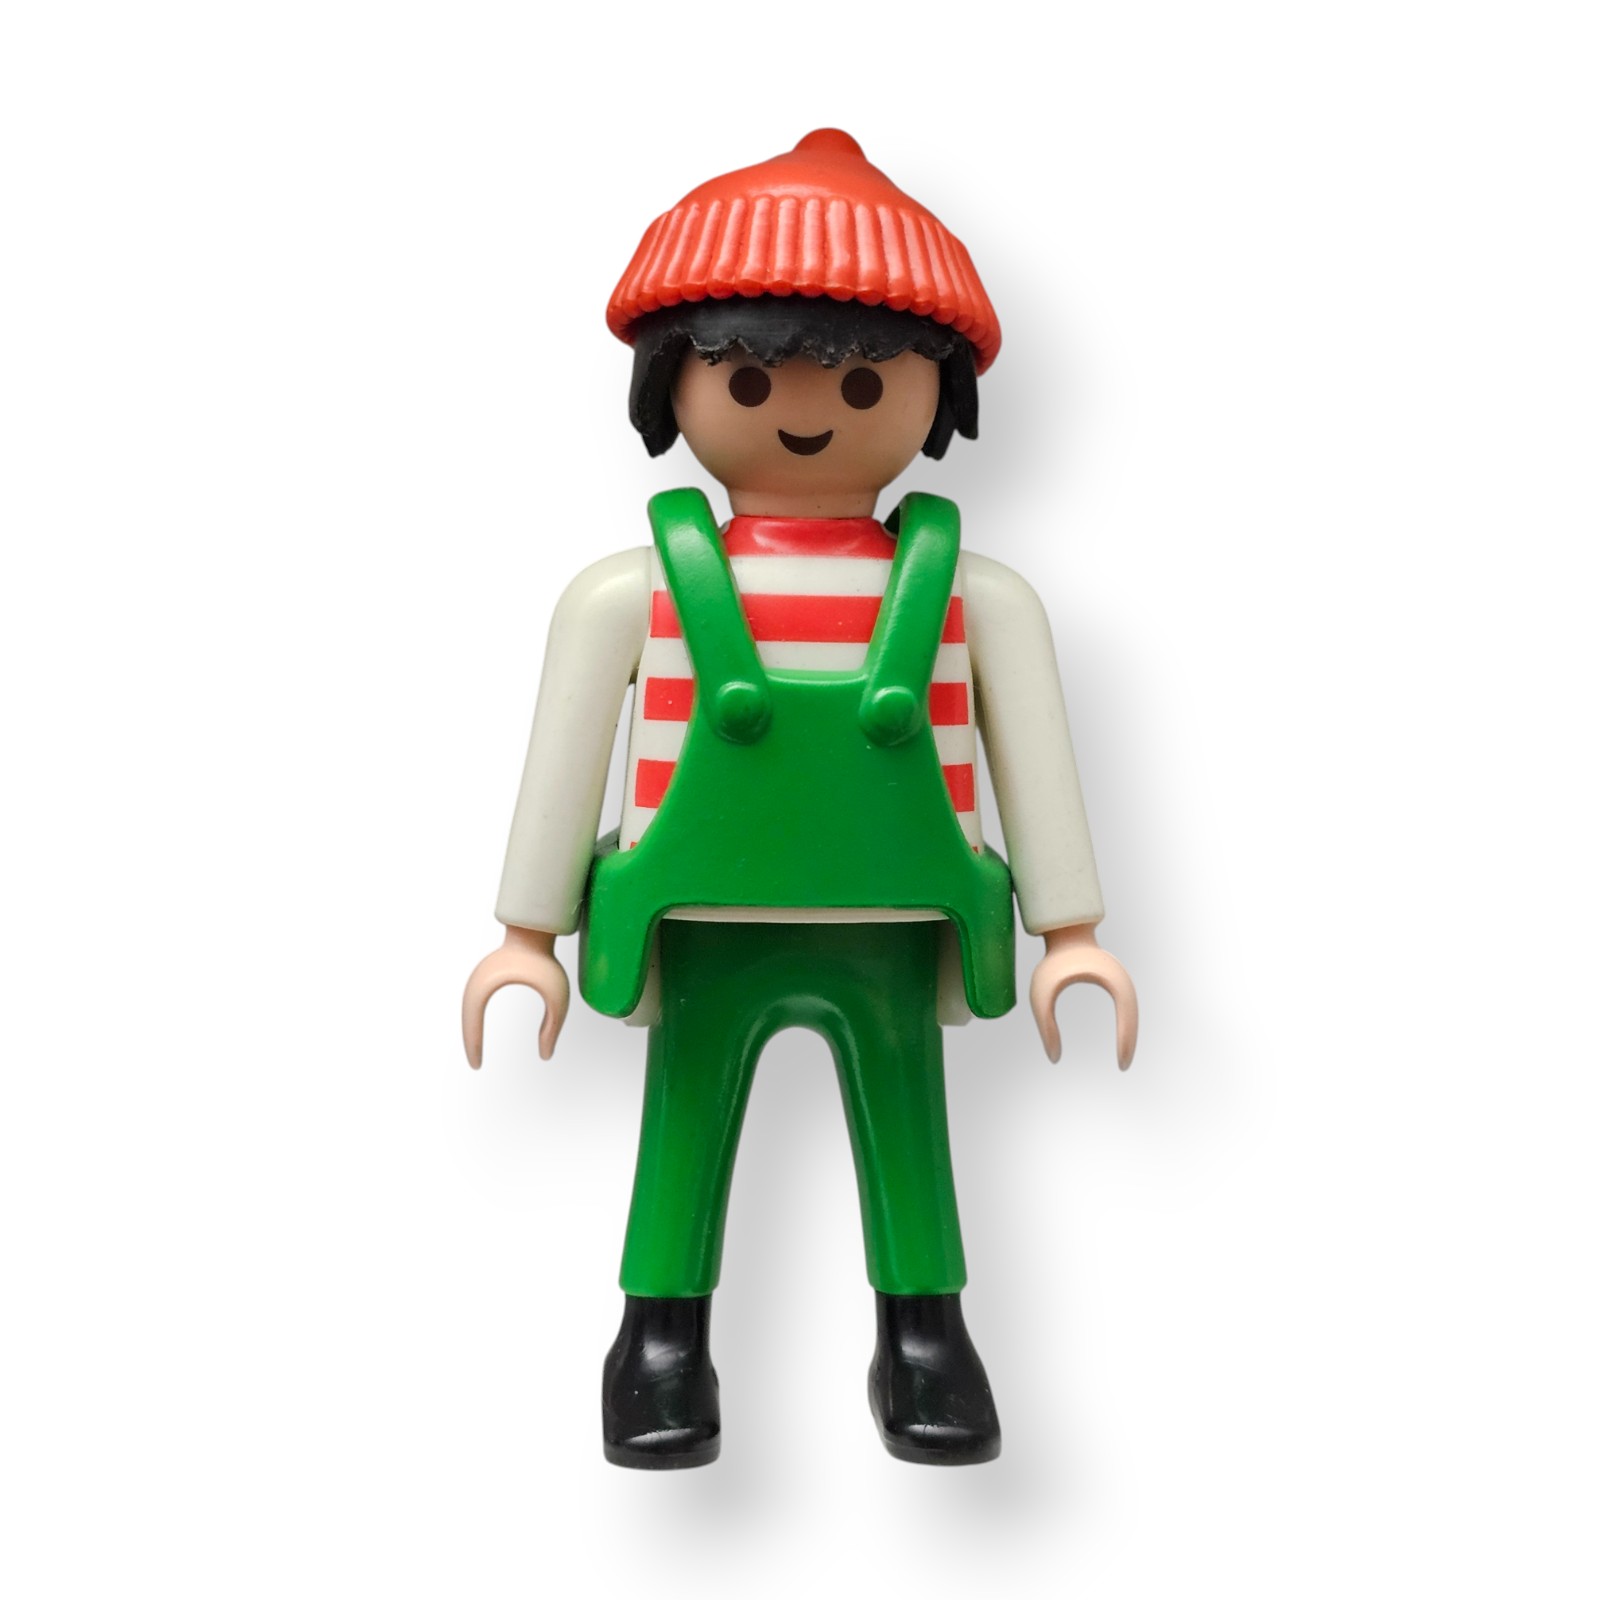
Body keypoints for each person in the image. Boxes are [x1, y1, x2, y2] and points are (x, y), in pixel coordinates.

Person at [462, 129, 1137, 1469]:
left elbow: (1037, 763)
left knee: (909, 1128)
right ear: (675, 386)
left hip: (894, 923)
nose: (807, 409)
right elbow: (563, 758)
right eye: (751, 374)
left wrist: (1072, 932)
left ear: (934, 397)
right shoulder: (630, 595)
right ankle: (660, 1345)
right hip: (700, 922)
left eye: (866, 377)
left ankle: (925, 1337)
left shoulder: (979, 600)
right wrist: (525, 935)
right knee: (682, 1129)